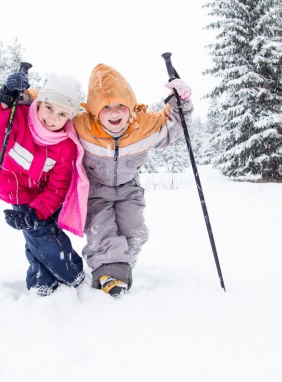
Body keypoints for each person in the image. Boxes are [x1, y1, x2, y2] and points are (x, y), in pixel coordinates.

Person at [73, 63, 193, 298]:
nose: (115, 112)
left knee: (135, 232)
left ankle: (120, 266)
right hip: (96, 189)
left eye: (120, 105)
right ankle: (109, 273)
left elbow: (174, 125)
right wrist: (26, 97)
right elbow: (50, 111)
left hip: (129, 188)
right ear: (95, 110)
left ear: (130, 105)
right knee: (101, 231)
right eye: (106, 107)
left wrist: (181, 101)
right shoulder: (82, 126)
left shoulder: (144, 125)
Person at [0, 70, 89, 296]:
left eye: (62, 114)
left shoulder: (66, 145)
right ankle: (43, 279)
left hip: (47, 199)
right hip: (18, 193)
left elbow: (58, 187)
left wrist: (37, 213)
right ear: (40, 102)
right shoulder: (18, 117)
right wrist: (3, 104)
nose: (53, 119)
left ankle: (70, 273)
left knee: (40, 234)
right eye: (49, 108)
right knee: (35, 237)